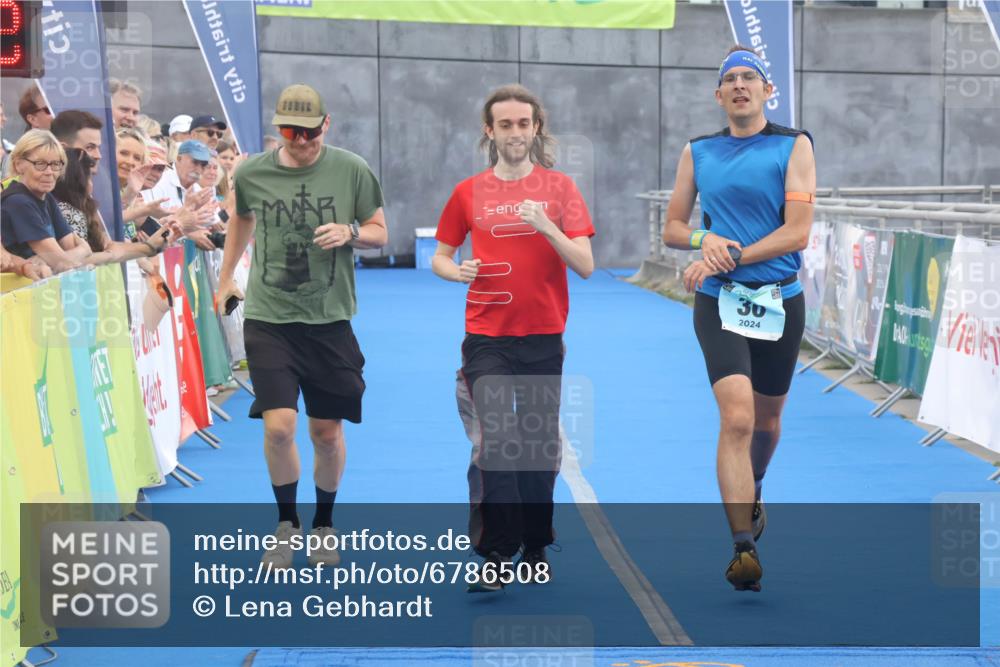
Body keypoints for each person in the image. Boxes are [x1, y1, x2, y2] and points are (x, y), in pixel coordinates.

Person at [661, 46, 815, 593]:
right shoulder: (698, 151)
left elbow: (797, 233)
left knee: (768, 424)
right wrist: (707, 242)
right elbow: (674, 228)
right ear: (719, 95)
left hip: (779, 300)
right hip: (720, 301)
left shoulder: (793, 145)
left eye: (751, 77)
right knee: (738, 419)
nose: (741, 85)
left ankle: (756, 484)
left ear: (767, 90)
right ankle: (742, 547)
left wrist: (728, 254)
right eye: (731, 80)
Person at [216, 84, 388, 570]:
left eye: (311, 132)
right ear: (278, 130)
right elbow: (240, 220)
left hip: (330, 319)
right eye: (292, 132)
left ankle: (324, 525)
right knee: (278, 427)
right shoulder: (251, 171)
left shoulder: (351, 169)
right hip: (269, 317)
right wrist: (228, 276)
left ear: (325, 125)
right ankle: (286, 523)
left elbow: (379, 230)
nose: (302, 141)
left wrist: (350, 232)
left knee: (327, 434)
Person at [432, 84, 595, 592]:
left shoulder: (561, 189)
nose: (516, 133)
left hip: (544, 337)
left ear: (536, 127)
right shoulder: (468, 192)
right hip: (486, 338)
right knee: (498, 443)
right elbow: (441, 254)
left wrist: (548, 227)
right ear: (490, 131)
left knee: (537, 447)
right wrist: (454, 270)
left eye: (523, 124)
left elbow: (586, 265)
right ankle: (496, 555)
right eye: (505, 125)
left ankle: (535, 543)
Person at [52, 147, 176, 258]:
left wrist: (147, 247)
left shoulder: (85, 206)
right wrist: (146, 248)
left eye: (137, 158)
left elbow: (109, 245)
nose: (130, 162)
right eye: (124, 153)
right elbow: (79, 260)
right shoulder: (67, 209)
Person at [1, 130, 95, 273]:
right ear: (18, 164)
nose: (49, 172)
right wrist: (84, 249)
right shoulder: (17, 202)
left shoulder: (47, 197)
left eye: (56, 164)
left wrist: (81, 250)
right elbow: (61, 262)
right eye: (40, 164)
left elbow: (68, 248)